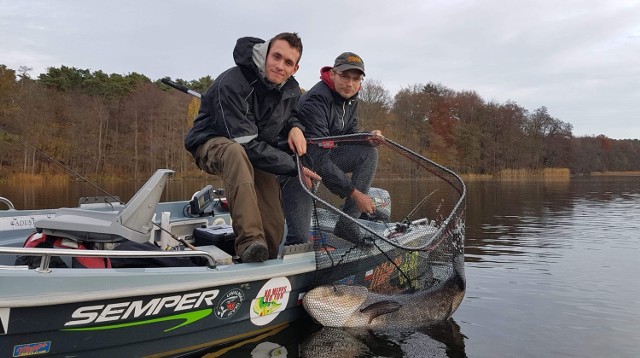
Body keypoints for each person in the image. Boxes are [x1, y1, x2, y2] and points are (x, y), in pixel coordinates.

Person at [184, 33, 320, 263]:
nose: (280, 66)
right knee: (235, 153)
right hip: (213, 143)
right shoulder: (231, 82)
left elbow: (289, 115)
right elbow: (242, 142)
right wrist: (293, 166)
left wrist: (294, 126)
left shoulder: (290, 90)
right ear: (266, 54)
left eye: (288, 62)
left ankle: (262, 255)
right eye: (276, 57)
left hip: (256, 151)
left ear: (295, 68)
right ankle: (249, 242)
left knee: (273, 232)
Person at [282, 52, 383, 245]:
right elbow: (317, 159)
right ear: (333, 74)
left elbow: (349, 133)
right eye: (345, 77)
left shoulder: (352, 97)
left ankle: (347, 223)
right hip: (295, 166)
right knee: (299, 239)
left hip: (320, 158)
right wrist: (355, 194)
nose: (350, 84)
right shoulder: (316, 100)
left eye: (356, 79)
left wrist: (367, 137)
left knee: (368, 153)